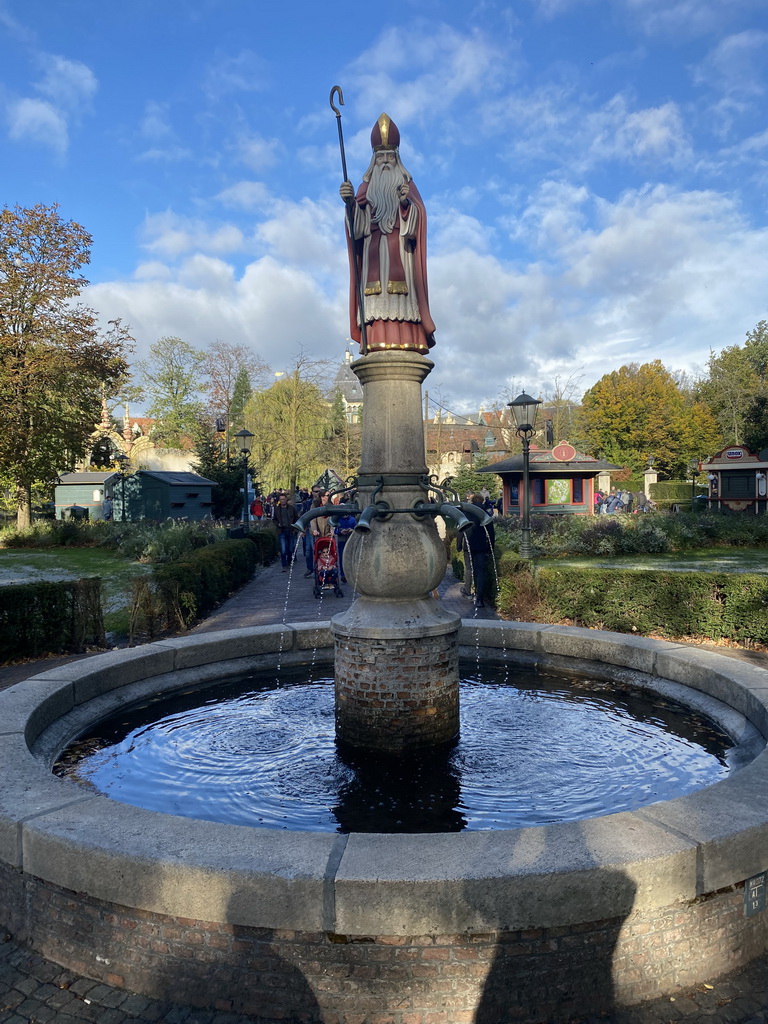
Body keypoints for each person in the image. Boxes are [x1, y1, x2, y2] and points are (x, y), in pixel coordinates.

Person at [340, 113, 435, 354]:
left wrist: (405, 204)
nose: (384, 161)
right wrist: (350, 203)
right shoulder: (365, 189)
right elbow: (357, 231)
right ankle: (374, 338)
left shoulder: (407, 186)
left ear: (396, 158)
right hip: (373, 253)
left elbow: (418, 222)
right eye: (379, 156)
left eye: (389, 156)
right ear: (374, 159)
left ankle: (407, 337)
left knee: (401, 296)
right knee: (376, 300)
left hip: (400, 253)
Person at [457, 493, 496, 608]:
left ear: (472, 501)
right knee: (480, 572)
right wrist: (490, 548)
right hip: (481, 546)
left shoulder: (467, 512)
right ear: (482, 501)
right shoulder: (486, 513)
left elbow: (460, 529)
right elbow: (491, 533)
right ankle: (479, 599)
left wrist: (459, 545)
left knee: (469, 568)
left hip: (468, 545)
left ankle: (467, 591)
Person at [272, 493, 298, 570]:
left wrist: (294, 526)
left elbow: (296, 517)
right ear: (279, 500)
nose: (282, 501)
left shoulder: (291, 508)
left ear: (286, 499)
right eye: (281, 499)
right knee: (283, 549)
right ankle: (284, 564)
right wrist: (278, 524)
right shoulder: (277, 509)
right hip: (281, 531)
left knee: (290, 549)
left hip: (290, 530)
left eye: (283, 499)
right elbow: (274, 519)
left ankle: (289, 561)